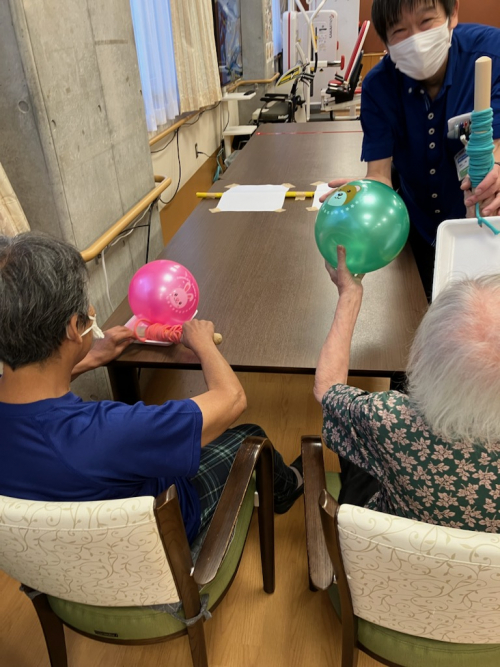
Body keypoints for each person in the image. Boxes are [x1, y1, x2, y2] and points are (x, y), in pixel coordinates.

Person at [0, 233, 303, 545]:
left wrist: (90, 358)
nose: (91, 309)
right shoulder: (110, 430)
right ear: (73, 328)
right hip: (164, 534)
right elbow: (232, 399)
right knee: (250, 435)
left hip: (61, 557)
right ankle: (290, 486)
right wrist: (203, 344)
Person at [322, 0, 500, 300]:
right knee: (422, 305)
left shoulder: (491, 56)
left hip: (483, 223)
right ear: (386, 41)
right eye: (400, 31)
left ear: (453, 13)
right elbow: (379, 175)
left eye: (426, 21)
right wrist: (362, 200)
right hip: (417, 226)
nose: (416, 40)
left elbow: (494, 150)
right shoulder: (379, 86)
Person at [314, 245, 500, 531]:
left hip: (385, 545)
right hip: (481, 562)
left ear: (421, 356)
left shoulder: (390, 420)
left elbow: (327, 388)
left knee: (355, 444)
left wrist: (349, 294)